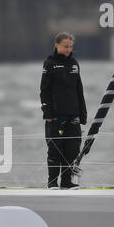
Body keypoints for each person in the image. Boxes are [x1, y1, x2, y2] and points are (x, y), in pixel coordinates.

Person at [40, 32, 87, 189]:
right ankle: (52, 183)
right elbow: (44, 90)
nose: (68, 49)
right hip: (55, 116)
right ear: (57, 45)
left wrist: (83, 114)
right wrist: (47, 113)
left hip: (73, 115)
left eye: (71, 46)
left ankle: (66, 183)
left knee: (72, 149)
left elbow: (79, 90)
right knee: (55, 150)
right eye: (66, 46)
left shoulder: (74, 64)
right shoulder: (50, 63)